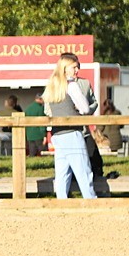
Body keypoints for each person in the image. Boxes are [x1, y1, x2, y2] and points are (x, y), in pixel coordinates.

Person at [43, 53, 97, 199]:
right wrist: (82, 110)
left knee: (62, 174)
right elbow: (85, 109)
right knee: (84, 172)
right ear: (66, 68)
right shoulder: (71, 85)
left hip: (57, 134)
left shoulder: (52, 86)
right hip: (72, 132)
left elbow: (47, 109)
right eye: (74, 67)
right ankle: (91, 200)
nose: (77, 70)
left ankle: (62, 203)